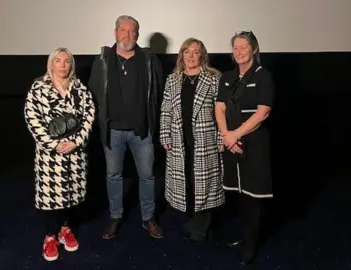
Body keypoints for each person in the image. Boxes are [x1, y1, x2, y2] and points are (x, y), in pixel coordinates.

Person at [87, 15, 164, 239]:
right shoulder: (102, 60)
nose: (127, 35)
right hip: (112, 131)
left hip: (142, 130)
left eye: (132, 31)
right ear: (115, 32)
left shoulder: (150, 60)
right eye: (123, 30)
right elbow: (92, 93)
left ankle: (148, 218)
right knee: (113, 175)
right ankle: (115, 216)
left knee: (148, 176)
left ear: (138, 35)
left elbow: (158, 95)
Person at [24, 47, 96, 261]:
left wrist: (76, 141)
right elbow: (32, 119)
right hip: (50, 156)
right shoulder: (38, 88)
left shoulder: (79, 88)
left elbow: (89, 115)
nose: (63, 65)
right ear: (51, 64)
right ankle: (49, 237)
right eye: (58, 61)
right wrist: (53, 144)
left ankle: (65, 230)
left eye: (66, 61)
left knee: (70, 195)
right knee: (50, 198)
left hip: (75, 154)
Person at [215, 31, 275, 264]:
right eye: (235, 48)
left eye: (243, 47)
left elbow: (263, 112)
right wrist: (226, 136)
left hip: (254, 143)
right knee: (238, 193)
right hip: (231, 142)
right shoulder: (228, 76)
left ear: (254, 49)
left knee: (253, 195)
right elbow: (219, 107)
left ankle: (251, 244)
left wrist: (235, 135)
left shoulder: (263, 76)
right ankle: (245, 235)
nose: (239, 52)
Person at [159, 38, 224, 242]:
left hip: (206, 140)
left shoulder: (214, 79)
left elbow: (222, 112)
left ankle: (201, 227)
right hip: (180, 140)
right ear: (181, 55)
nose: (191, 56)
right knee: (186, 182)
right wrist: (164, 134)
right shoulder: (173, 79)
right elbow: (166, 110)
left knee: (205, 183)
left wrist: (222, 137)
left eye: (195, 52)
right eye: (187, 51)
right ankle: (193, 221)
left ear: (202, 55)